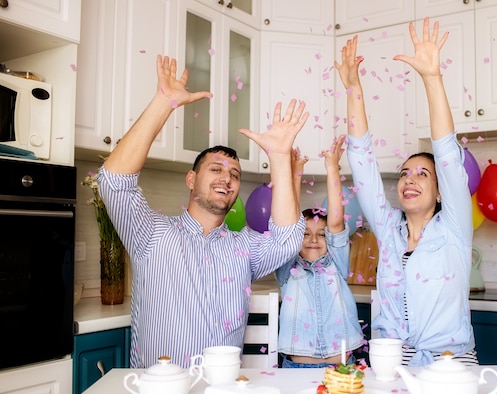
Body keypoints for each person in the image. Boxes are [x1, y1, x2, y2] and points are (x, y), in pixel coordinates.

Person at [98, 55, 308, 368]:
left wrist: (279, 157)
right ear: (191, 179)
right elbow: (114, 183)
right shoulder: (150, 234)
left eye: (235, 175)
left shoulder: (244, 246)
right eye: (216, 169)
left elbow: (288, 240)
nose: (227, 178)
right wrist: (163, 103)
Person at [334, 19, 477, 367]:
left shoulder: (455, 228)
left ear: (442, 191)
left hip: (450, 362)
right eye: (404, 174)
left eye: (422, 174)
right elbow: (362, 161)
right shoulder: (389, 230)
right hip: (391, 361)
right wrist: (353, 89)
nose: (409, 180)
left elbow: (445, 152)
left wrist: (431, 78)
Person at [276, 136, 364, 368]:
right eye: (305, 233)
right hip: (296, 369)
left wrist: (332, 167)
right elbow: (288, 219)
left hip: (343, 368)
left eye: (322, 234)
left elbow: (336, 222)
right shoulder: (287, 267)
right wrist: (295, 173)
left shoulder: (337, 263)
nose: (314, 239)